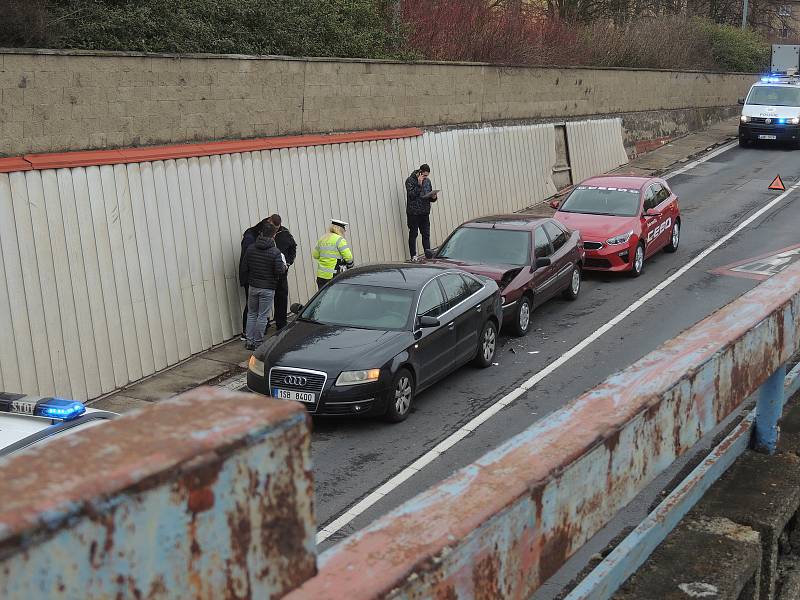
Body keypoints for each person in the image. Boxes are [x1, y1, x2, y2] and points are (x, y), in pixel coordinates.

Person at [239, 222, 287, 350]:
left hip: (253, 286)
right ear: (273, 235)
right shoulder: (275, 252)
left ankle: (249, 341)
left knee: (251, 313)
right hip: (267, 288)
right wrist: (284, 266)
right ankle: (258, 342)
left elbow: (245, 266)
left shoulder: (251, 248)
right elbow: (279, 270)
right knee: (262, 315)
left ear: (261, 233)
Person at [238, 218, 270, 339]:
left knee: (253, 308)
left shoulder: (252, 238)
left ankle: (250, 334)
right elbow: (249, 259)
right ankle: (249, 334)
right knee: (253, 308)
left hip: (253, 277)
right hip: (252, 277)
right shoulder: (250, 239)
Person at [268, 213, 297, 331]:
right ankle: (265, 324)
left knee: (281, 297)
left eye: (276, 227)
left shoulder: (285, 234)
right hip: (267, 272)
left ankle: (281, 323)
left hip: (281, 271)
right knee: (266, 297)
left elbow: (293, 248)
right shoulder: (264, 232)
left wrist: (288, 263)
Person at [404, 163, 438, 260]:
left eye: (427, 175)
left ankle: (428, 254)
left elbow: (430, 196)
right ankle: (413, 255)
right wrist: (419, 185)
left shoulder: (427, 181)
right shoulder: (409, 181)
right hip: (413, 213)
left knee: (426, 234)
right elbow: (411, 195)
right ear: (420, 172)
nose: (426, 177)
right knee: (413, 234)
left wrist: (434, 197)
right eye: (424, 175)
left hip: (424, 212)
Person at [312, 219, 354, 290]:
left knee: (323, 298)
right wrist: (350, 267)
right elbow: (348, 257)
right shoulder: (339, 240)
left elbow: (315, 255)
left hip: (321, 276)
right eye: (344, 229)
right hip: (333, 276)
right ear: (340, 229)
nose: (345, 231)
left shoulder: (322, 238)